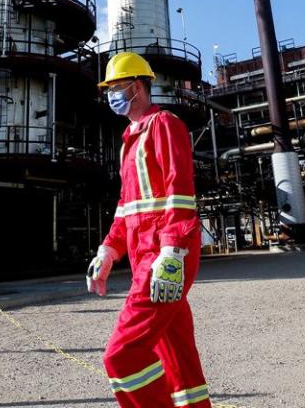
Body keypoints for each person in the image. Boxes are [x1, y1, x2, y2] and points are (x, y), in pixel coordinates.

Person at [86, 52, 211, 407]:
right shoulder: (131, 139)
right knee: (179, 361)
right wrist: (108, 251)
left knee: (121, 356)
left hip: (167, 256)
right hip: (146, 260)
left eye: (116, 86)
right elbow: (127, 209)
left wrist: (172, 252)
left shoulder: (164, 124)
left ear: (137, 86)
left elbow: (180, 193)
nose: (112, 94)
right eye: (109, 88)